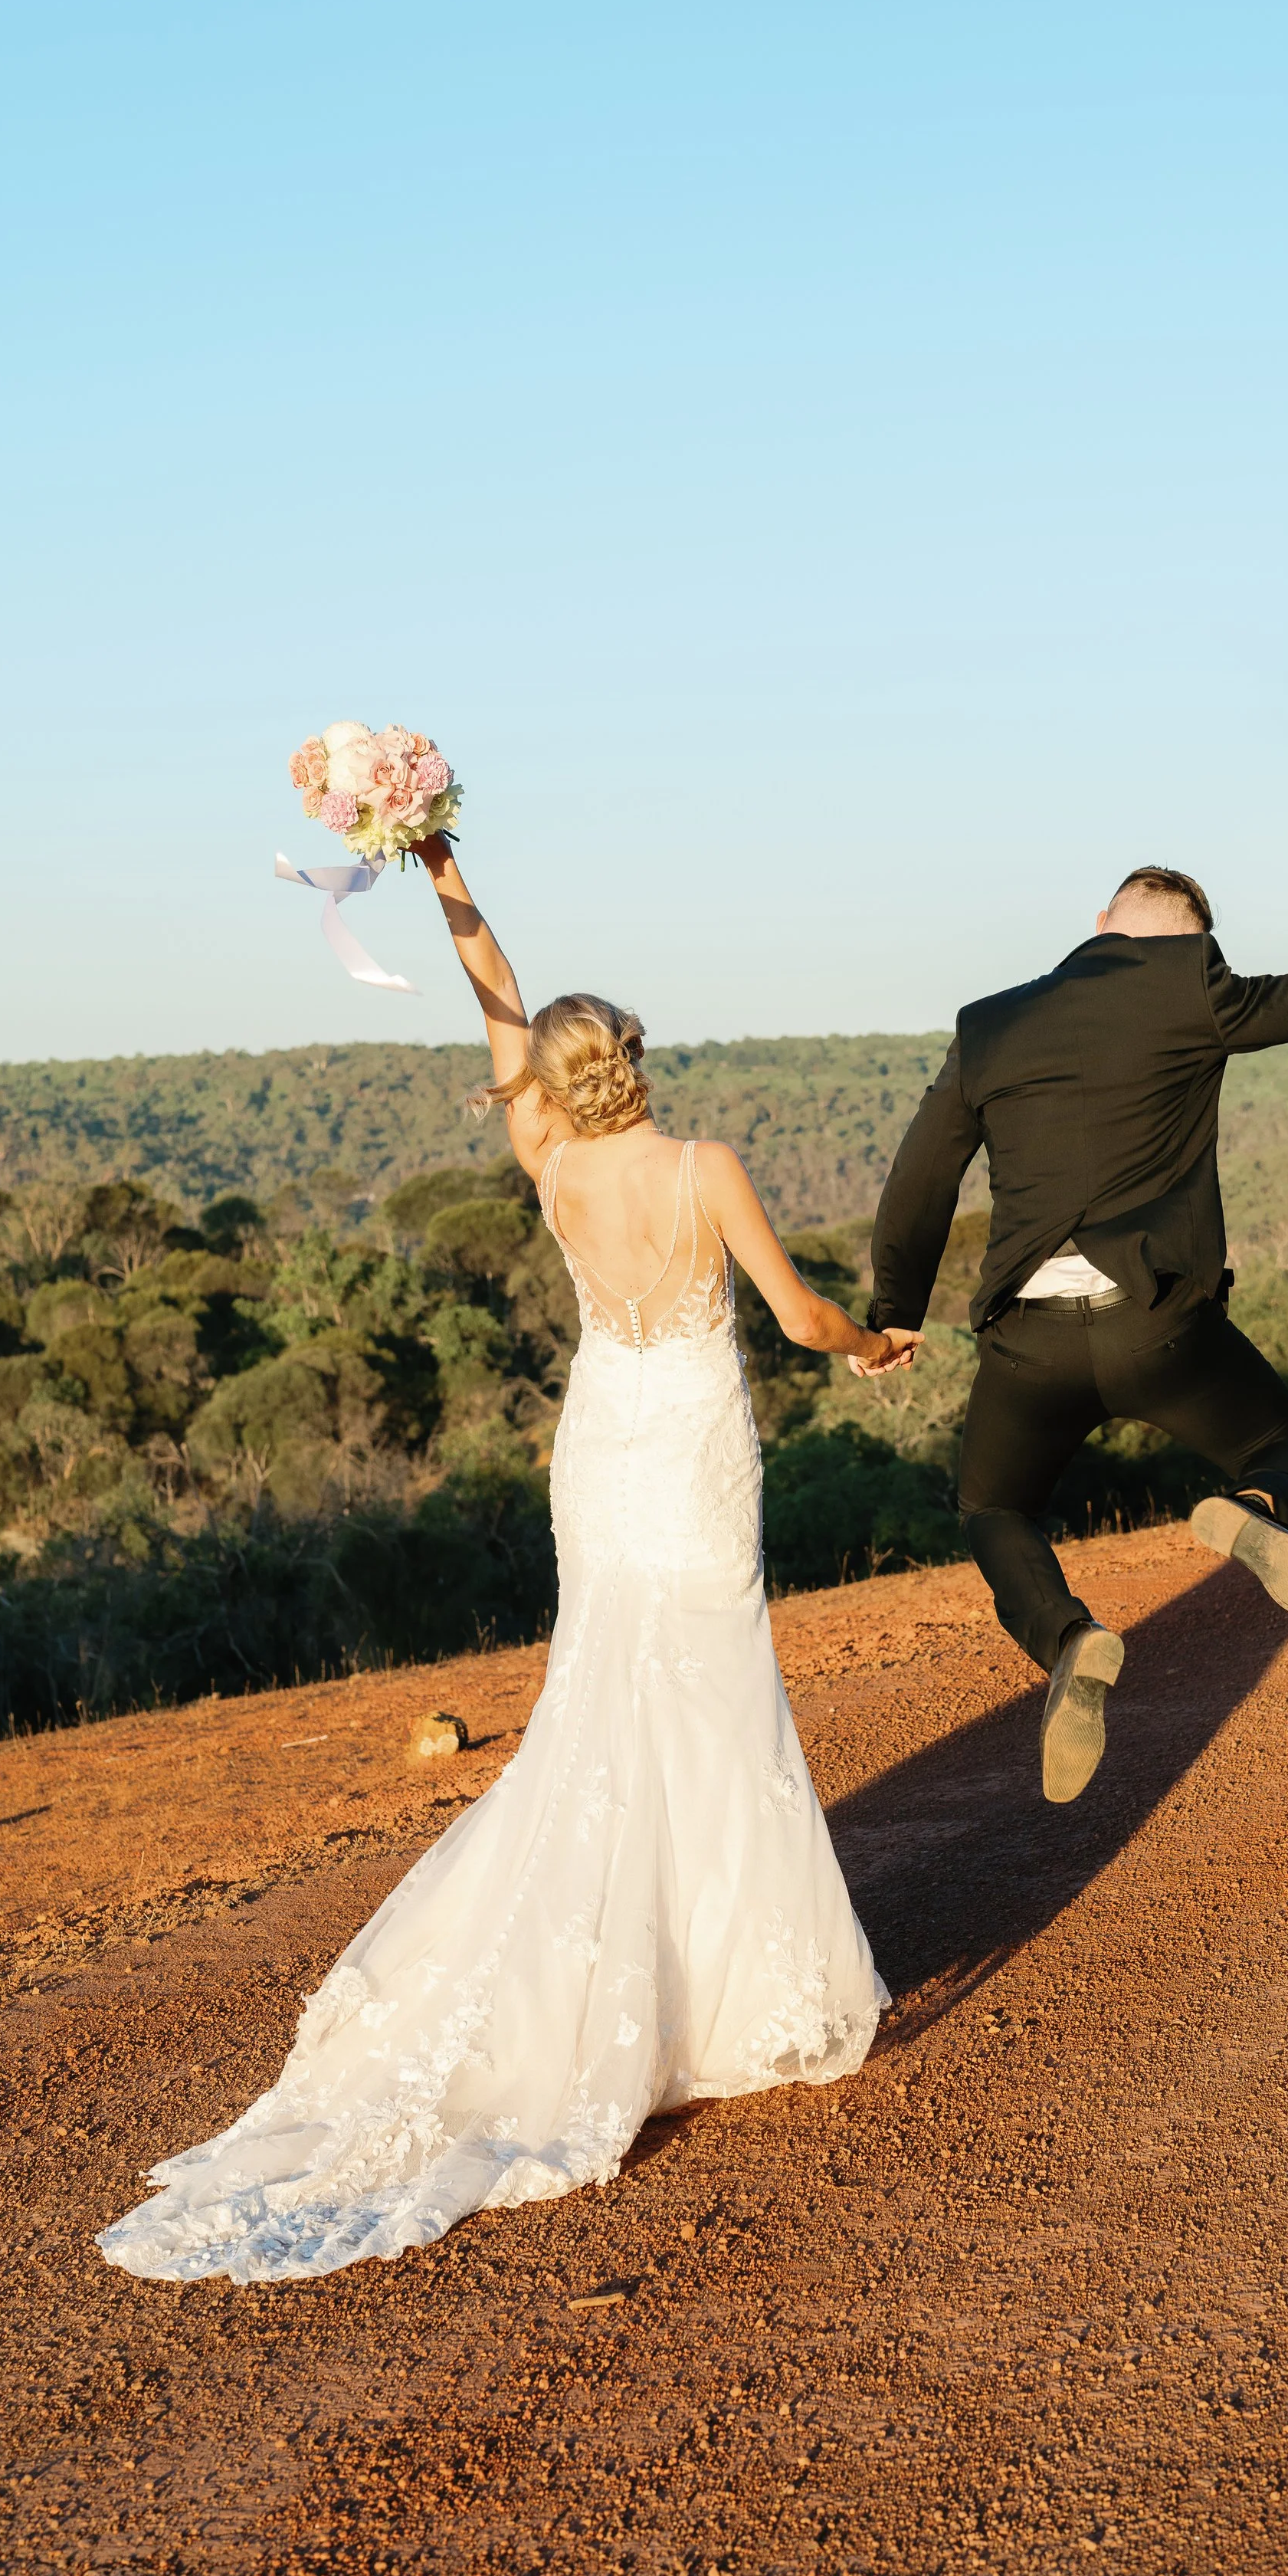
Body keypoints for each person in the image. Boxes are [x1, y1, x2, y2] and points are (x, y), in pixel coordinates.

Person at [100, 837, 918, 2285]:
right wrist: (875, 1343)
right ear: (637, 1061)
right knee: (711, 1695)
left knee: (603, 1700)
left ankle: (637, 1986)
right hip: (688, 1446)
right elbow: (797, 1321)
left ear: (551, 1083)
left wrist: (441, 868)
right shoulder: (699, 1163)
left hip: (603, 1447)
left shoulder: (546, 1164)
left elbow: (497, 998)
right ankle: (709, 1995)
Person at [867, 784, 1288, 1806]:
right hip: (1157, 1323)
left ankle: (1071, 1637)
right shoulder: (1193, 991)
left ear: (1098, 926)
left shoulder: (989, 1027)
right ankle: (1256, 1507)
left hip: (1030, 1343)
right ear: (1193, 943)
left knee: (994, 1503)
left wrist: (895, 1307)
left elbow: (921, 1179)